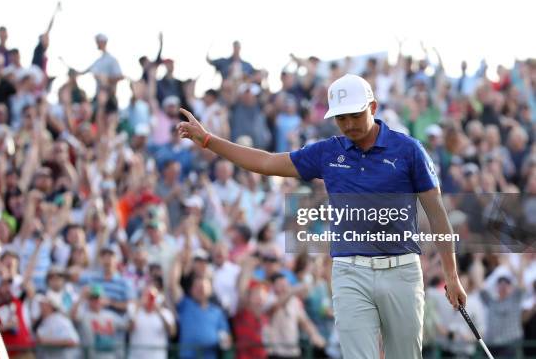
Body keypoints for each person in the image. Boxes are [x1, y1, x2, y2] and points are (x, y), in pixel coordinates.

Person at [177, 73, 466, 358]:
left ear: (373, 108)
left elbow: (438, 214)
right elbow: (266, 162)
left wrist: (451, 275)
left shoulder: (409, 150)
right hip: (350, 272)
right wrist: (208, 140)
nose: (349, 125)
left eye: (355, 115)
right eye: (341, 118)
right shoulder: (328, 152)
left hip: (402, 271)